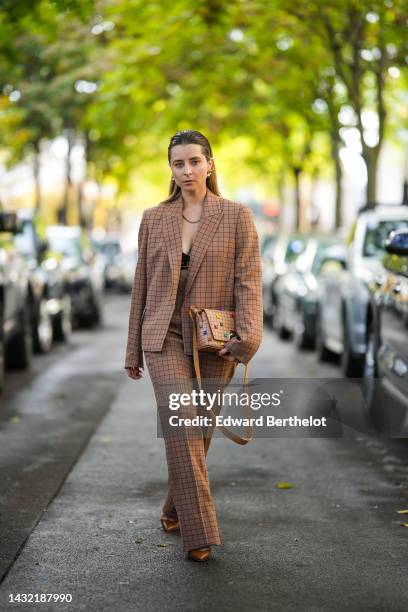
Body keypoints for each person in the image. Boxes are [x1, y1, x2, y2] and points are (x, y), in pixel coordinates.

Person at [124, 129, 263, 562]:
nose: (186, 170)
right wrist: (132, 349)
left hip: (214, 340)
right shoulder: (154, 218)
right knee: (182, 420)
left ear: (210, 163)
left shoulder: (237, 216)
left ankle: (174, 507)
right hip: (162, 334)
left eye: (194, 161)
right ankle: (200, 532)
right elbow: (141, 286)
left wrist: (248, 340)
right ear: (170, 169)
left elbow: (249, 281)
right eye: (178, 163)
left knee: (198, 433)